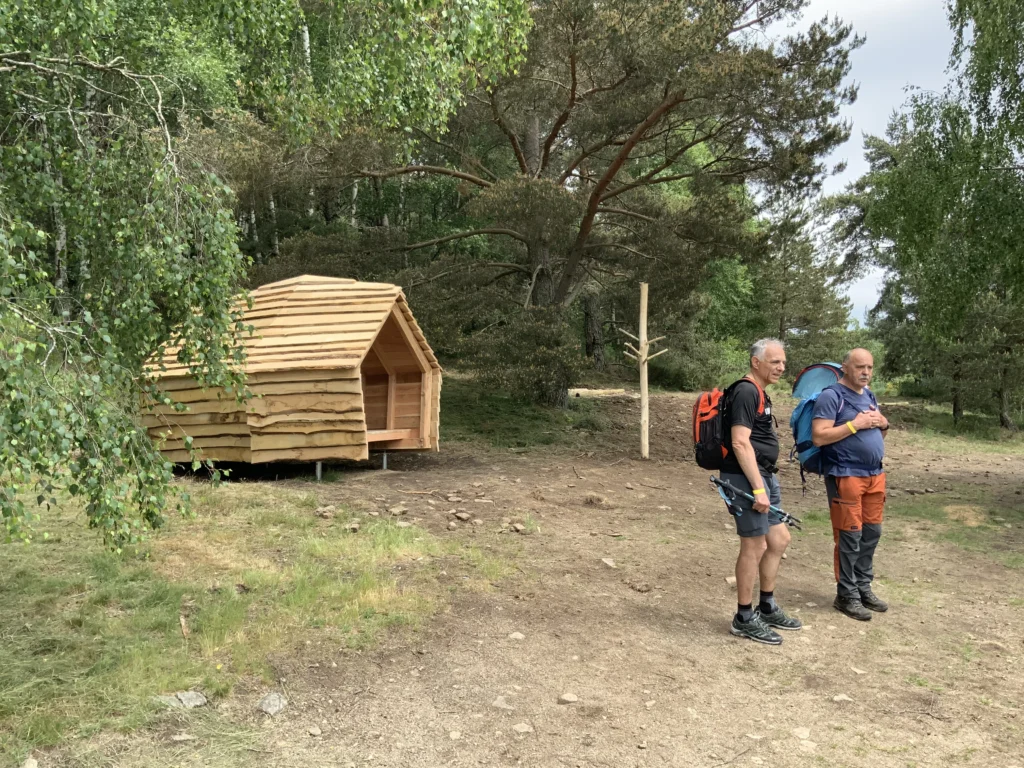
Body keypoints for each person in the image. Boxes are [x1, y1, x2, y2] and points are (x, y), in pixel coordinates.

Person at [720, 338, 802, 645]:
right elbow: (740, 442)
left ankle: (766, 606)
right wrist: (758, 489)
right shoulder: (745, 391)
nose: (781, 367)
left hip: (764, 475)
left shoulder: (759, 392)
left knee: (779, 539)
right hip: (745, 479)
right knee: (753, 546)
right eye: (775, 362)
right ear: (757, 362)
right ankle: (743, 617)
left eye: (783, 362)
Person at [811, 348, 890, 621]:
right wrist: (855, 425)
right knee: (850, 535)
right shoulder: (831, 396)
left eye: (869, 367)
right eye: (859, 367)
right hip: (845, 475)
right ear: (845, 367)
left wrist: (883, 423)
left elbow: (877, 428)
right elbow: (819, 436)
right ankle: (846, 595)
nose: (865, 372)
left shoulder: (868, 395)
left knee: (872, 533)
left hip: (874, 474)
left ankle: (862, 586)